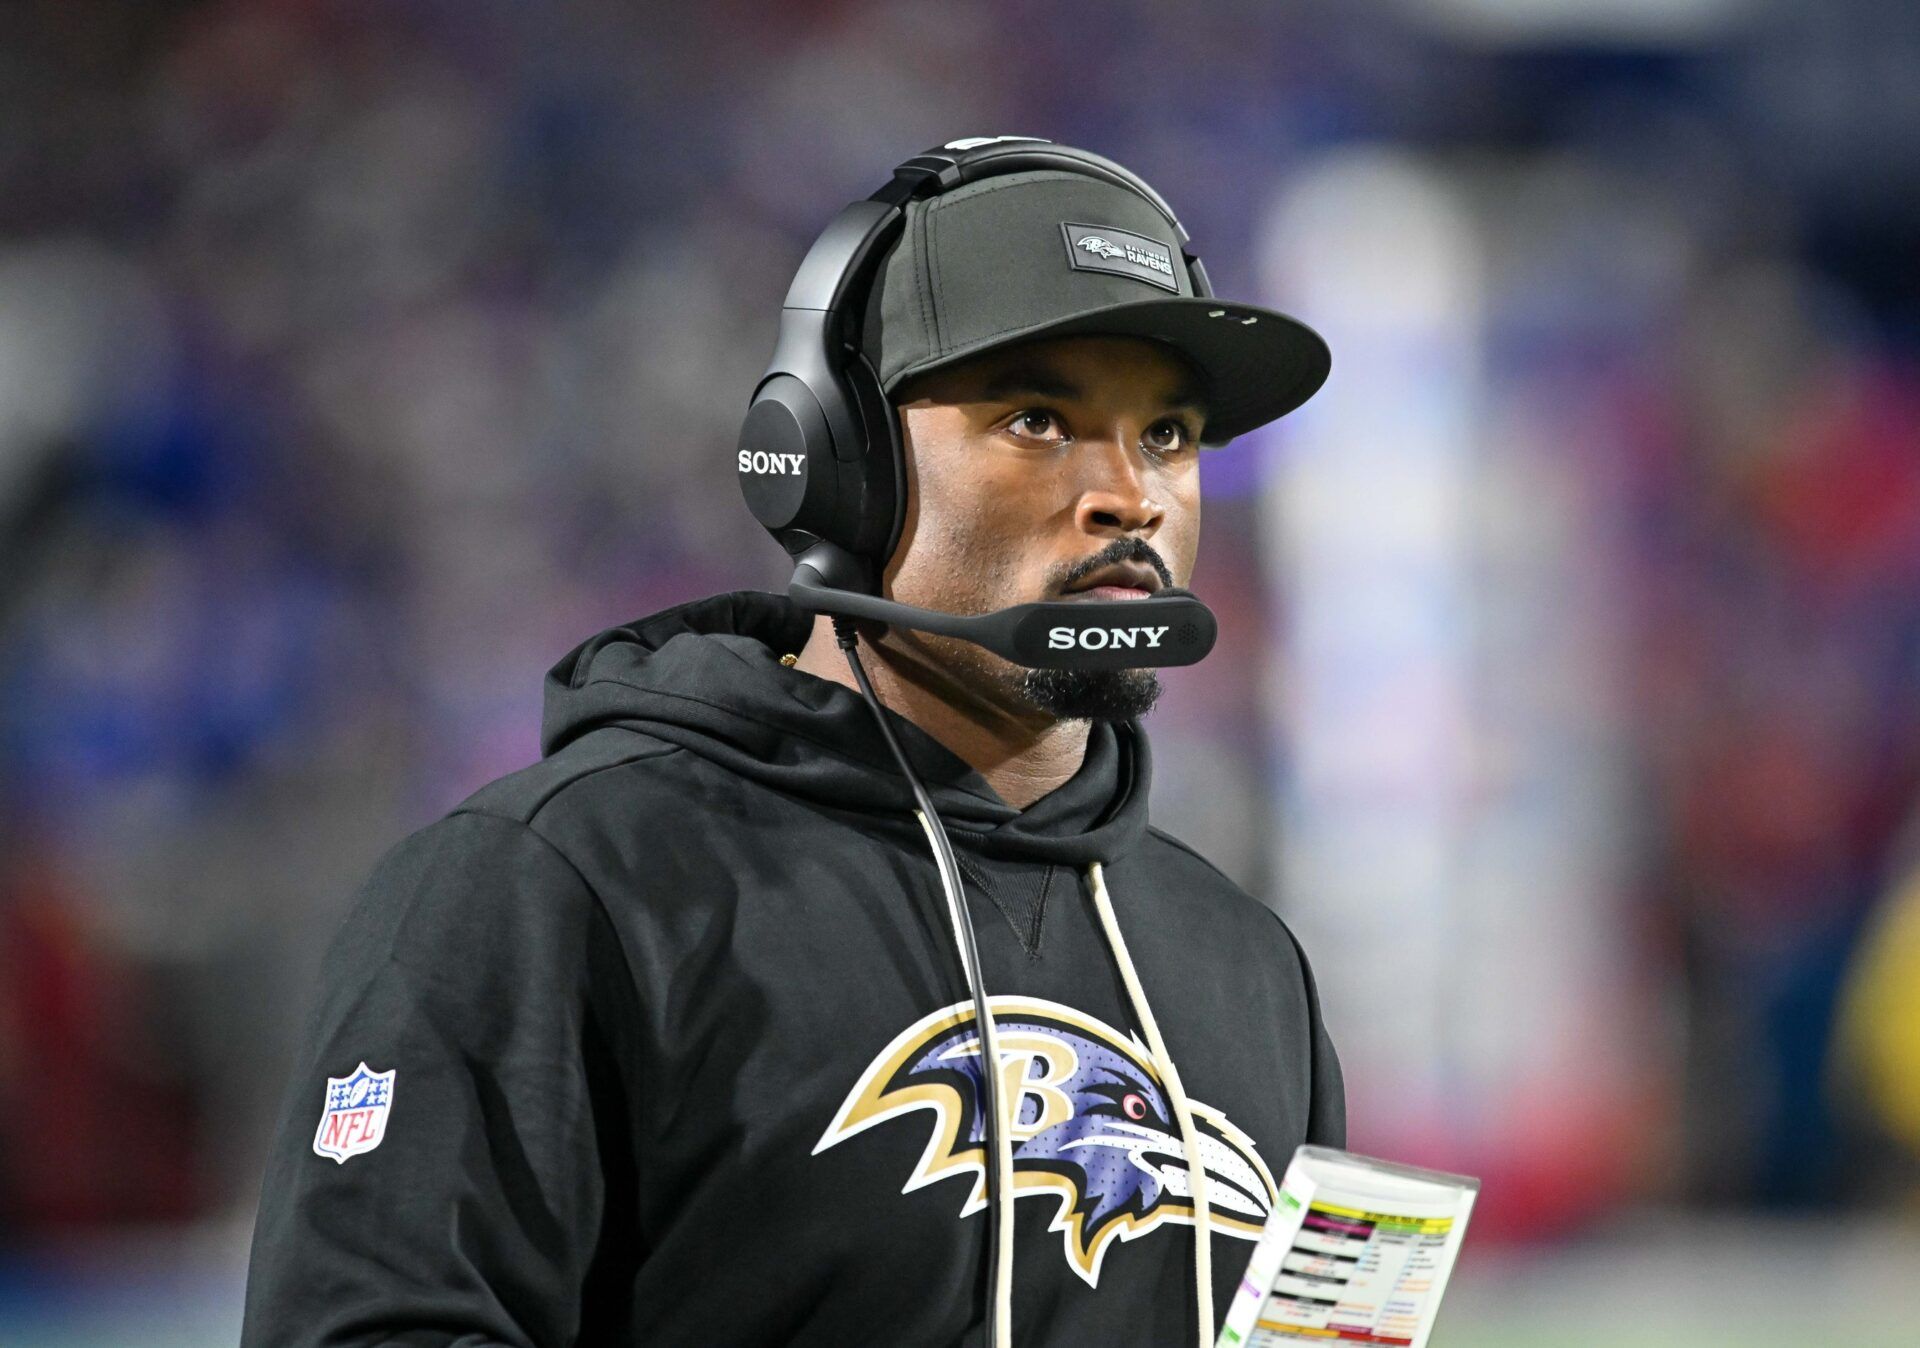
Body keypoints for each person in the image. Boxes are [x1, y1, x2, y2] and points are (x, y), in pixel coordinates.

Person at [240, 138, 1345, 1348]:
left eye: (1170, 434)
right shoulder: (551, 883)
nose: (1132, 493)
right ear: (834, 464)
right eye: (1038, 420)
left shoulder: (1251, 968)